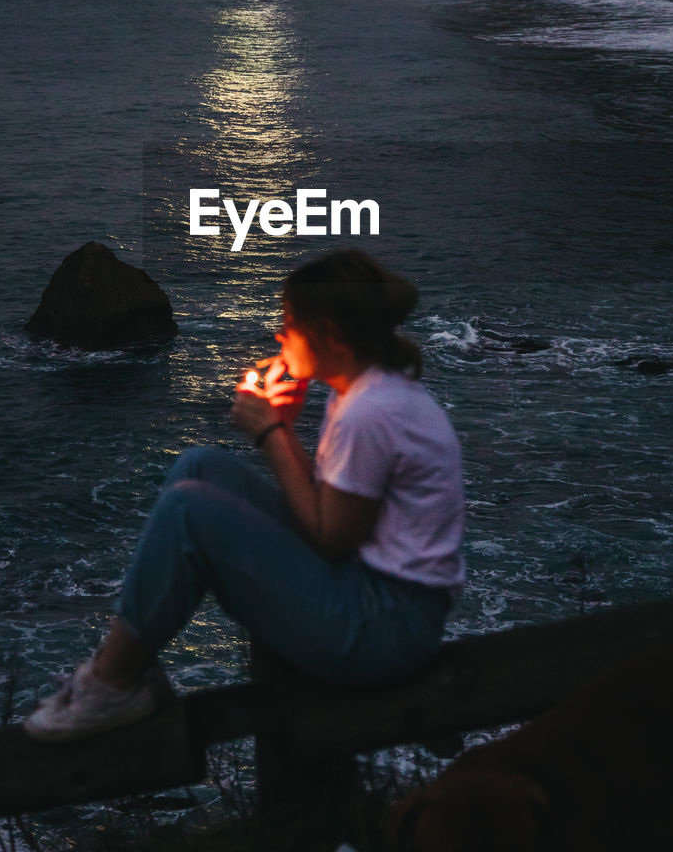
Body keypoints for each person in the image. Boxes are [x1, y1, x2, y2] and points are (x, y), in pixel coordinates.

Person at [23, 249, 465, 742]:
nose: (279, 335)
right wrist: (287, 425)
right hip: (376, 600)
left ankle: (110, 685)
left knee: (190, 508)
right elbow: (332, 517)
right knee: (201, 466)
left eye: (290, 323)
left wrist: (272, 432)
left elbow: (330, 541)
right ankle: (133, 662)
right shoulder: (367, 392)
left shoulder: (371, 413)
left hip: (383, 630)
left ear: (331, 336)